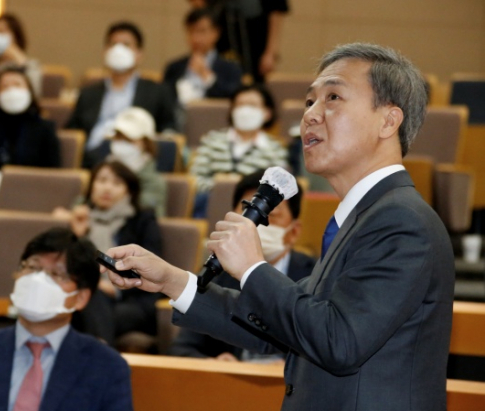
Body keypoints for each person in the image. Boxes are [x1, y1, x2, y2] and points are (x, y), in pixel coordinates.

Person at [104, 43, 455, 411]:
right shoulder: (364, 217)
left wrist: (252, 268)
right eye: (309, 102)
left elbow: (339, 342)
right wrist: (171, 280)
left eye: (333, 97)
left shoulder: (401, 221)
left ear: (388, 121)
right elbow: (282, 325)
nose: (310, 115)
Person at [0, 227, 133, 411]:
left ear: (80, 298)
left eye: (56, 274)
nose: (38, 281)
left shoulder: (107, 367)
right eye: (32, 268)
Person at [168, 170, 314, 360]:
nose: (254, 227)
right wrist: (215, 364)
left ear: (294, 232)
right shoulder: (217, 272)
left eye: (271, 217)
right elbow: (181, 349)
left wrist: (287, 369)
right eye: (248, 215)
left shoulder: (315, 276)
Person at [53, 160, 162, 346]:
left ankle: (99, 349)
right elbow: (65, 267)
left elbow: (152, 268)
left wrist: (114, 287)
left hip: (132, 299)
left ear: (129, 191)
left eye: (117, 183)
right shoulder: (81, 219)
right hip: (86, 295)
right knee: (82, 301)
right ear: (92, 186)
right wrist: (78, 236)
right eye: (102, 180)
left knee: (86, 305)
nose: (107, 188)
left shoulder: (142, 220)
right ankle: (100, 350)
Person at [66, 21, 176, 168]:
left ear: (139, 54)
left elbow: (168, 132)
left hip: (134, 161)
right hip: (92, 160)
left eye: (126, 45)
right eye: (113, 44)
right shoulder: (88, 93)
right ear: (105, 52)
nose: (118, 50)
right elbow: (72, 132)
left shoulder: (157, 92)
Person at [0, 67, 60, 220]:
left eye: (17, 84)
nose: (11, 91)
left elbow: (54, 172)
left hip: (31, 195)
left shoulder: (44, 128)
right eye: (5, 86)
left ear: (29, 90)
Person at [190, 84, 287, 216]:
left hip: (253, 210)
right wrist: (223, 188)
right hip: (209, 205)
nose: (245, 110)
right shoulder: (212, 141)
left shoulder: (275, 150)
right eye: (240, 105)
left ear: (267, 113)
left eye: (252, 105)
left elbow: (275, 189)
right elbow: (195, 180)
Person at [188, 0, 289, 83]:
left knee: (255, 82)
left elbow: (276, 9)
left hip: (254, 36)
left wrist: (270, 52)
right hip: (222, 32)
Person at [163, 7, 242, 106]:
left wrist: (206, 75)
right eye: (191, 31)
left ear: (216, 33)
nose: (196, 38)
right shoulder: (174, 67)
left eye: (202, 31)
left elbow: (233, 98)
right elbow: (164, 99)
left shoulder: (230, 68)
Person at [107, 107, 166, 216]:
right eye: (118, 137)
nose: (122, 143)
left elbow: (150, 218)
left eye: (129, 139)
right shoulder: (102, 171)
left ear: (146, 143)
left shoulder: (154, 183)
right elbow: (83, 201)